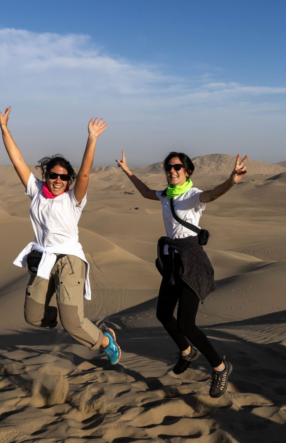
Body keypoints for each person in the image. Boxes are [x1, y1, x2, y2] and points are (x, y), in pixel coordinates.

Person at [115, 151, 247, 397]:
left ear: (187, 171)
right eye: (168, 167)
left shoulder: (193, 195)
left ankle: (220, 367)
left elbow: (213, 194)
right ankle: (187, 352)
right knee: (163, 313)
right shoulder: (166, 195)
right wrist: (128, 171)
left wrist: (232, 180)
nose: (171, 171)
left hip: (192, 261)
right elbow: (145, 192)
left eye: (177, 167)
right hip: (172, 260)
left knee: (187, 323)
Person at [0, 106, 121, 365]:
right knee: (32, 316)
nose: (57, 180)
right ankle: (69, 320)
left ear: (68, 180)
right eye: (53, 175)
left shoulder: (73, 199)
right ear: (46, 175)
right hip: (43, 259)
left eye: (63, 177)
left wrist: (92, 138)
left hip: (69, 259)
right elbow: (17, 161)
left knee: (73, 323)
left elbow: (86, 173)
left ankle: (105, 340)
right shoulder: (36, 190)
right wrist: (5, 129)